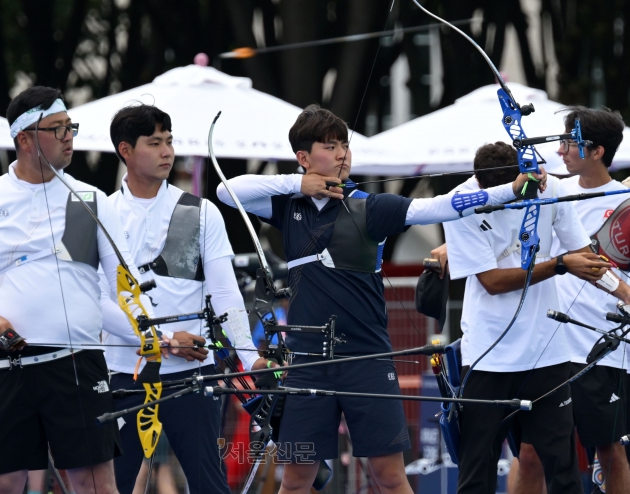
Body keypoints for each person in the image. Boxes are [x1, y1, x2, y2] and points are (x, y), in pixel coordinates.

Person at [216, 104, 544, 494]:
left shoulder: (372, 208)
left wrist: (510, 188)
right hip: (306, 363)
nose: (342, 154)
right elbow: (226, 190)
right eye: (330, 146)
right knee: (296, 480)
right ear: (304, 158)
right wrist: (298, 184)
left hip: (367, 359)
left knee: (389, 477)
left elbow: (436, 207)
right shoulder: (288, 206)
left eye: (344, 145)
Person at [0, 86, 137, 494]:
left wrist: (154, 336)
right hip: (6, 364)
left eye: (71, 127)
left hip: (77, 363)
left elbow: (124, 288)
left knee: (95, 485)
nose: (69, 136)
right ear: (24, 139)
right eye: (57, 128)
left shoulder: (89, 200)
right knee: (3, 485)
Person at [440, 141, 630, 493]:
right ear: (482, 185)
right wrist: (559, 265)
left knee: (563, 469)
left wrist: (625, 294)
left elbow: (583, 257)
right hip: (487, 357)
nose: (510, 199)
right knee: (476, 472)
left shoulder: (549, 187)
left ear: (522, 175)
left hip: (548, 354)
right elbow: (493, 282)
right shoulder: (460, 202)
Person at [102, 103, 270, 493]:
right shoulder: (101, 213)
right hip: (123, 373)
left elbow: (226, 292)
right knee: (115, 483)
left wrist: (249, 357)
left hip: (193, 375)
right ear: (125, 150)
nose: (167, 151)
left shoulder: (201, 212)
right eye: (154, 142)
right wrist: (162, 342)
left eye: (170, 141)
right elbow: (96, 301)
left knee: (209, 483)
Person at [550, 106, 630, 494]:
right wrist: (449, 246)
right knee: (531, 453)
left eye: (570, 142)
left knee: (609, 452)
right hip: (545, 347)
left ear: (597, 151)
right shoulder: (550, 192)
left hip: (603, 348)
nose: (561, 150)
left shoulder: (625, 199)